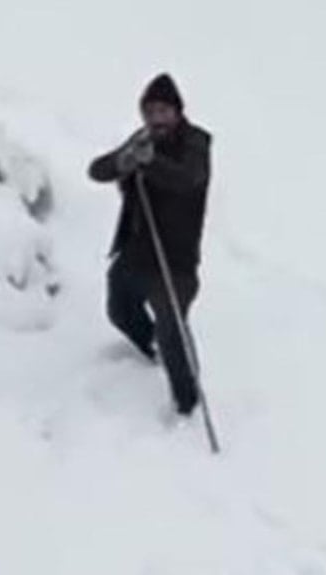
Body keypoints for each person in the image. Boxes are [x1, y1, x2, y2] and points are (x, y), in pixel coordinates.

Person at [88, 73, 212, 417]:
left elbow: (187, 179)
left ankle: (187, 402)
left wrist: (150, 163)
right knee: (119, 308)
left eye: (163, 111)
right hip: (138, 249)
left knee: (172, 324)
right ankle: (151, 346)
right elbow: (97, 170)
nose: (156, 119)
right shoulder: (141, 141)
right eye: (150, 111)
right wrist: (121, 162)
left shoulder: (196, 144)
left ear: (177, 111)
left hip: (176, 259)